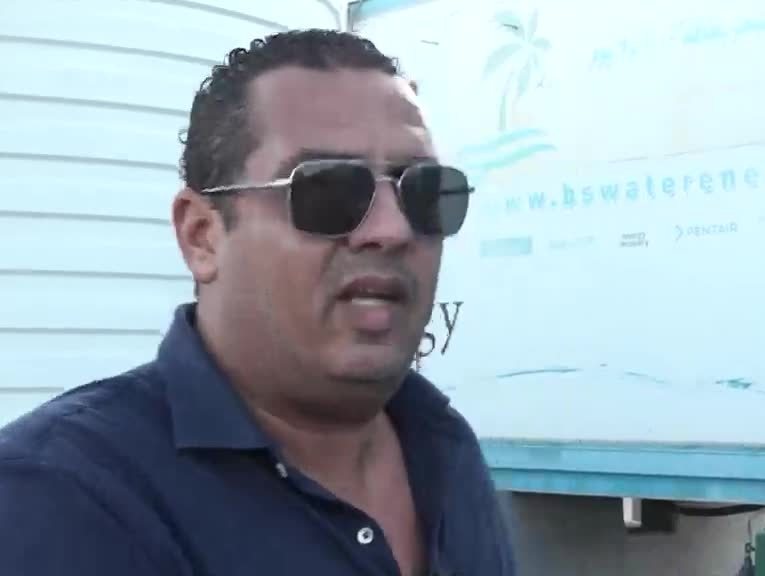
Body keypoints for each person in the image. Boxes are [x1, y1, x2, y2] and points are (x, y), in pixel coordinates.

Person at [0, 30, 515, 576]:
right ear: (202, 236)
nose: (392, 230)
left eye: (425, 191)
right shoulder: (64, 499)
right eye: (328, 189)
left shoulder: (444, 448)